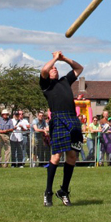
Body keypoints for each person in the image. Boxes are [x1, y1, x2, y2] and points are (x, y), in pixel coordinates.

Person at [41, 51, 84, 207]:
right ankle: (48, 193)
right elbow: (44, 70)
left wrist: (63, 58)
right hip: (58, 119)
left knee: (72, 156)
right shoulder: (46, 85)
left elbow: (79, 68)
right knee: (56, 157)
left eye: (56, 68)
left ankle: (64, 191)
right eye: (53, 68)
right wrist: (54, 58)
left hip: (72, 119)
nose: (54, 69)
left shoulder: (65, 80)